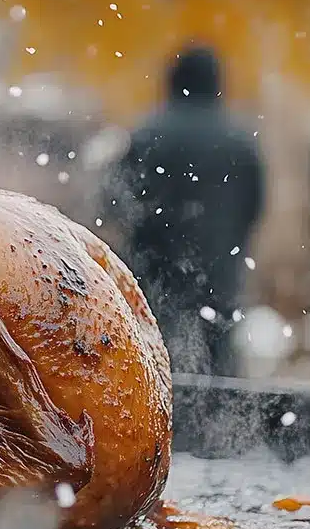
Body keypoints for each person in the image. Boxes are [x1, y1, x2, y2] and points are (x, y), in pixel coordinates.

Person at [101, 45, 265, 377]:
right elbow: (254, 208)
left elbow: (116, 205)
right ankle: (217, 427)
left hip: (156, 283)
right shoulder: (241, 142)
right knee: (220, 386)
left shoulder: (148, 134)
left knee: (155, 376)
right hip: (220, 283)